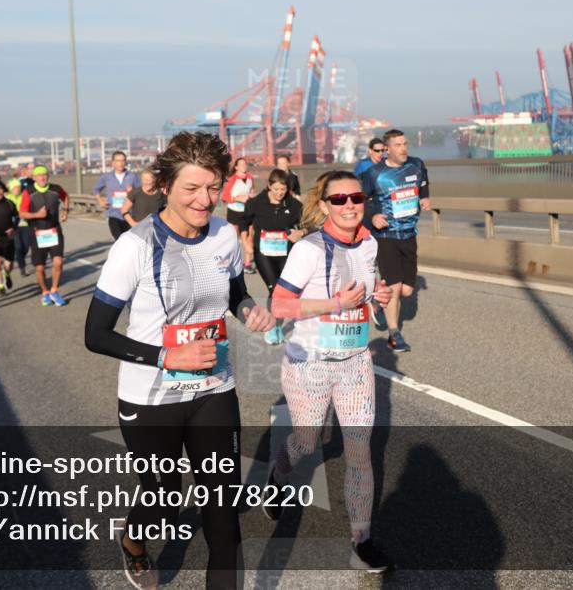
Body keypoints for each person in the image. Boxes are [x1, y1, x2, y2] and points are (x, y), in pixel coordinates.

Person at [84, 131, 275, 590]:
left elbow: (234, 292)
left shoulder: (225, 235)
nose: (205, 199)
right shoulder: (135, 246)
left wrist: (248, 309)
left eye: (213, 187)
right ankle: (133, 542)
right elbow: (95, 334)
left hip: (213, 389)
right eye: (192, 188)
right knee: (165, 500)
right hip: (151, 398)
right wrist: (170, 354)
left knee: (223, 516)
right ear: (165, 186)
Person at [264, 169, 393, 572]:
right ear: (323, 206)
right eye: (339, 200)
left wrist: (376, 297)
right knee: (305, 442)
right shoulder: (309, 249)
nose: (350, 205)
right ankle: (277, 477)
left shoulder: (370, 243)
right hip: (311, 363)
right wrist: (334, 304)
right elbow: (279, 306)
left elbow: (368, 290)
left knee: (359, 452)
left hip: (354, 362)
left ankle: (362, 538)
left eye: (356, 197)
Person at [361, 129, 430, 352]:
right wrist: (372, 216)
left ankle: (378, 299)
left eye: (405, 144)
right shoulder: (374, 174)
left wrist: (425, 197)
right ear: (387, 149)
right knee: (395, 288)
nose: (404, 148)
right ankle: (394, 334)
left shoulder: (417, 164)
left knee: (407, 291)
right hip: (385, 236)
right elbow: (360, 200)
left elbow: (424, 182)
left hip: (409, 233)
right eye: (398, 145)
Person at [242, 168, 304, 345]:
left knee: (284, 292)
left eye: (283, 190)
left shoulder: (294, 205)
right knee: (274, 290)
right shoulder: (256, 203)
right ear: (269, 186)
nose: (279, 193)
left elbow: (305, 226)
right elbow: (244, 222)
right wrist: (245, 242)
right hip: (263, 253)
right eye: (276, 189)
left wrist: (300, 232)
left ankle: (277, 324)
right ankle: (272, 327)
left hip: (285, 253)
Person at [19, 165, 70, 306]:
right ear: (34, 177)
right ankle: (45, 292)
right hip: (37, 232)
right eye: (39, 175)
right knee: (40, 268)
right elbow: (22, 213)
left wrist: (65, 211)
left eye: (44, 175)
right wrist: (37, 215)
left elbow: (66, 197)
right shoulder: (28, 192)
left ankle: (54, 290)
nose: (42, 177)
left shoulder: (56, 189)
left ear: (48, 176)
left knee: (58, 262)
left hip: (54, 230)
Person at [93, 151, 140, 241]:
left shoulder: (132, 176)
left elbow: (141, 192)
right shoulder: (106, 177)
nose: (121, 163)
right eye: (118, 160)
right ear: (113, 162)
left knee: (129, 242)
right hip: (113, 214)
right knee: (119, 240)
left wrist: (133, 191)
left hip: (129, 214)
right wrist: (100, 200)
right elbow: (95, 189)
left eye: (123, 160)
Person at [222, 157, 255, 274]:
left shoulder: (250, 178)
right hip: (234, 212)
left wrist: (251, 197)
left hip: (247, 212)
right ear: (236, 167)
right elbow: (224, 197)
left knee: (249, 237)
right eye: (241, 164)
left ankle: (247, 264)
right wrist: (238, 198)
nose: (243, 166)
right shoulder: (231, 179)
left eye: (245, 163)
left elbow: (252, 192)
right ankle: (230, 263)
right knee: (233, 239)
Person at [5, 178, 33, 277]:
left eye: (18, 187)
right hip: (13, 227)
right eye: (15, 187)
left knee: (26, 247)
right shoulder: (7, 198)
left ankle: (20, 258)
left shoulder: (24, 196)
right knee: (18, 247)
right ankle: (22, 267)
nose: (17, 189)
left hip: (25, 225)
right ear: (11, 188)